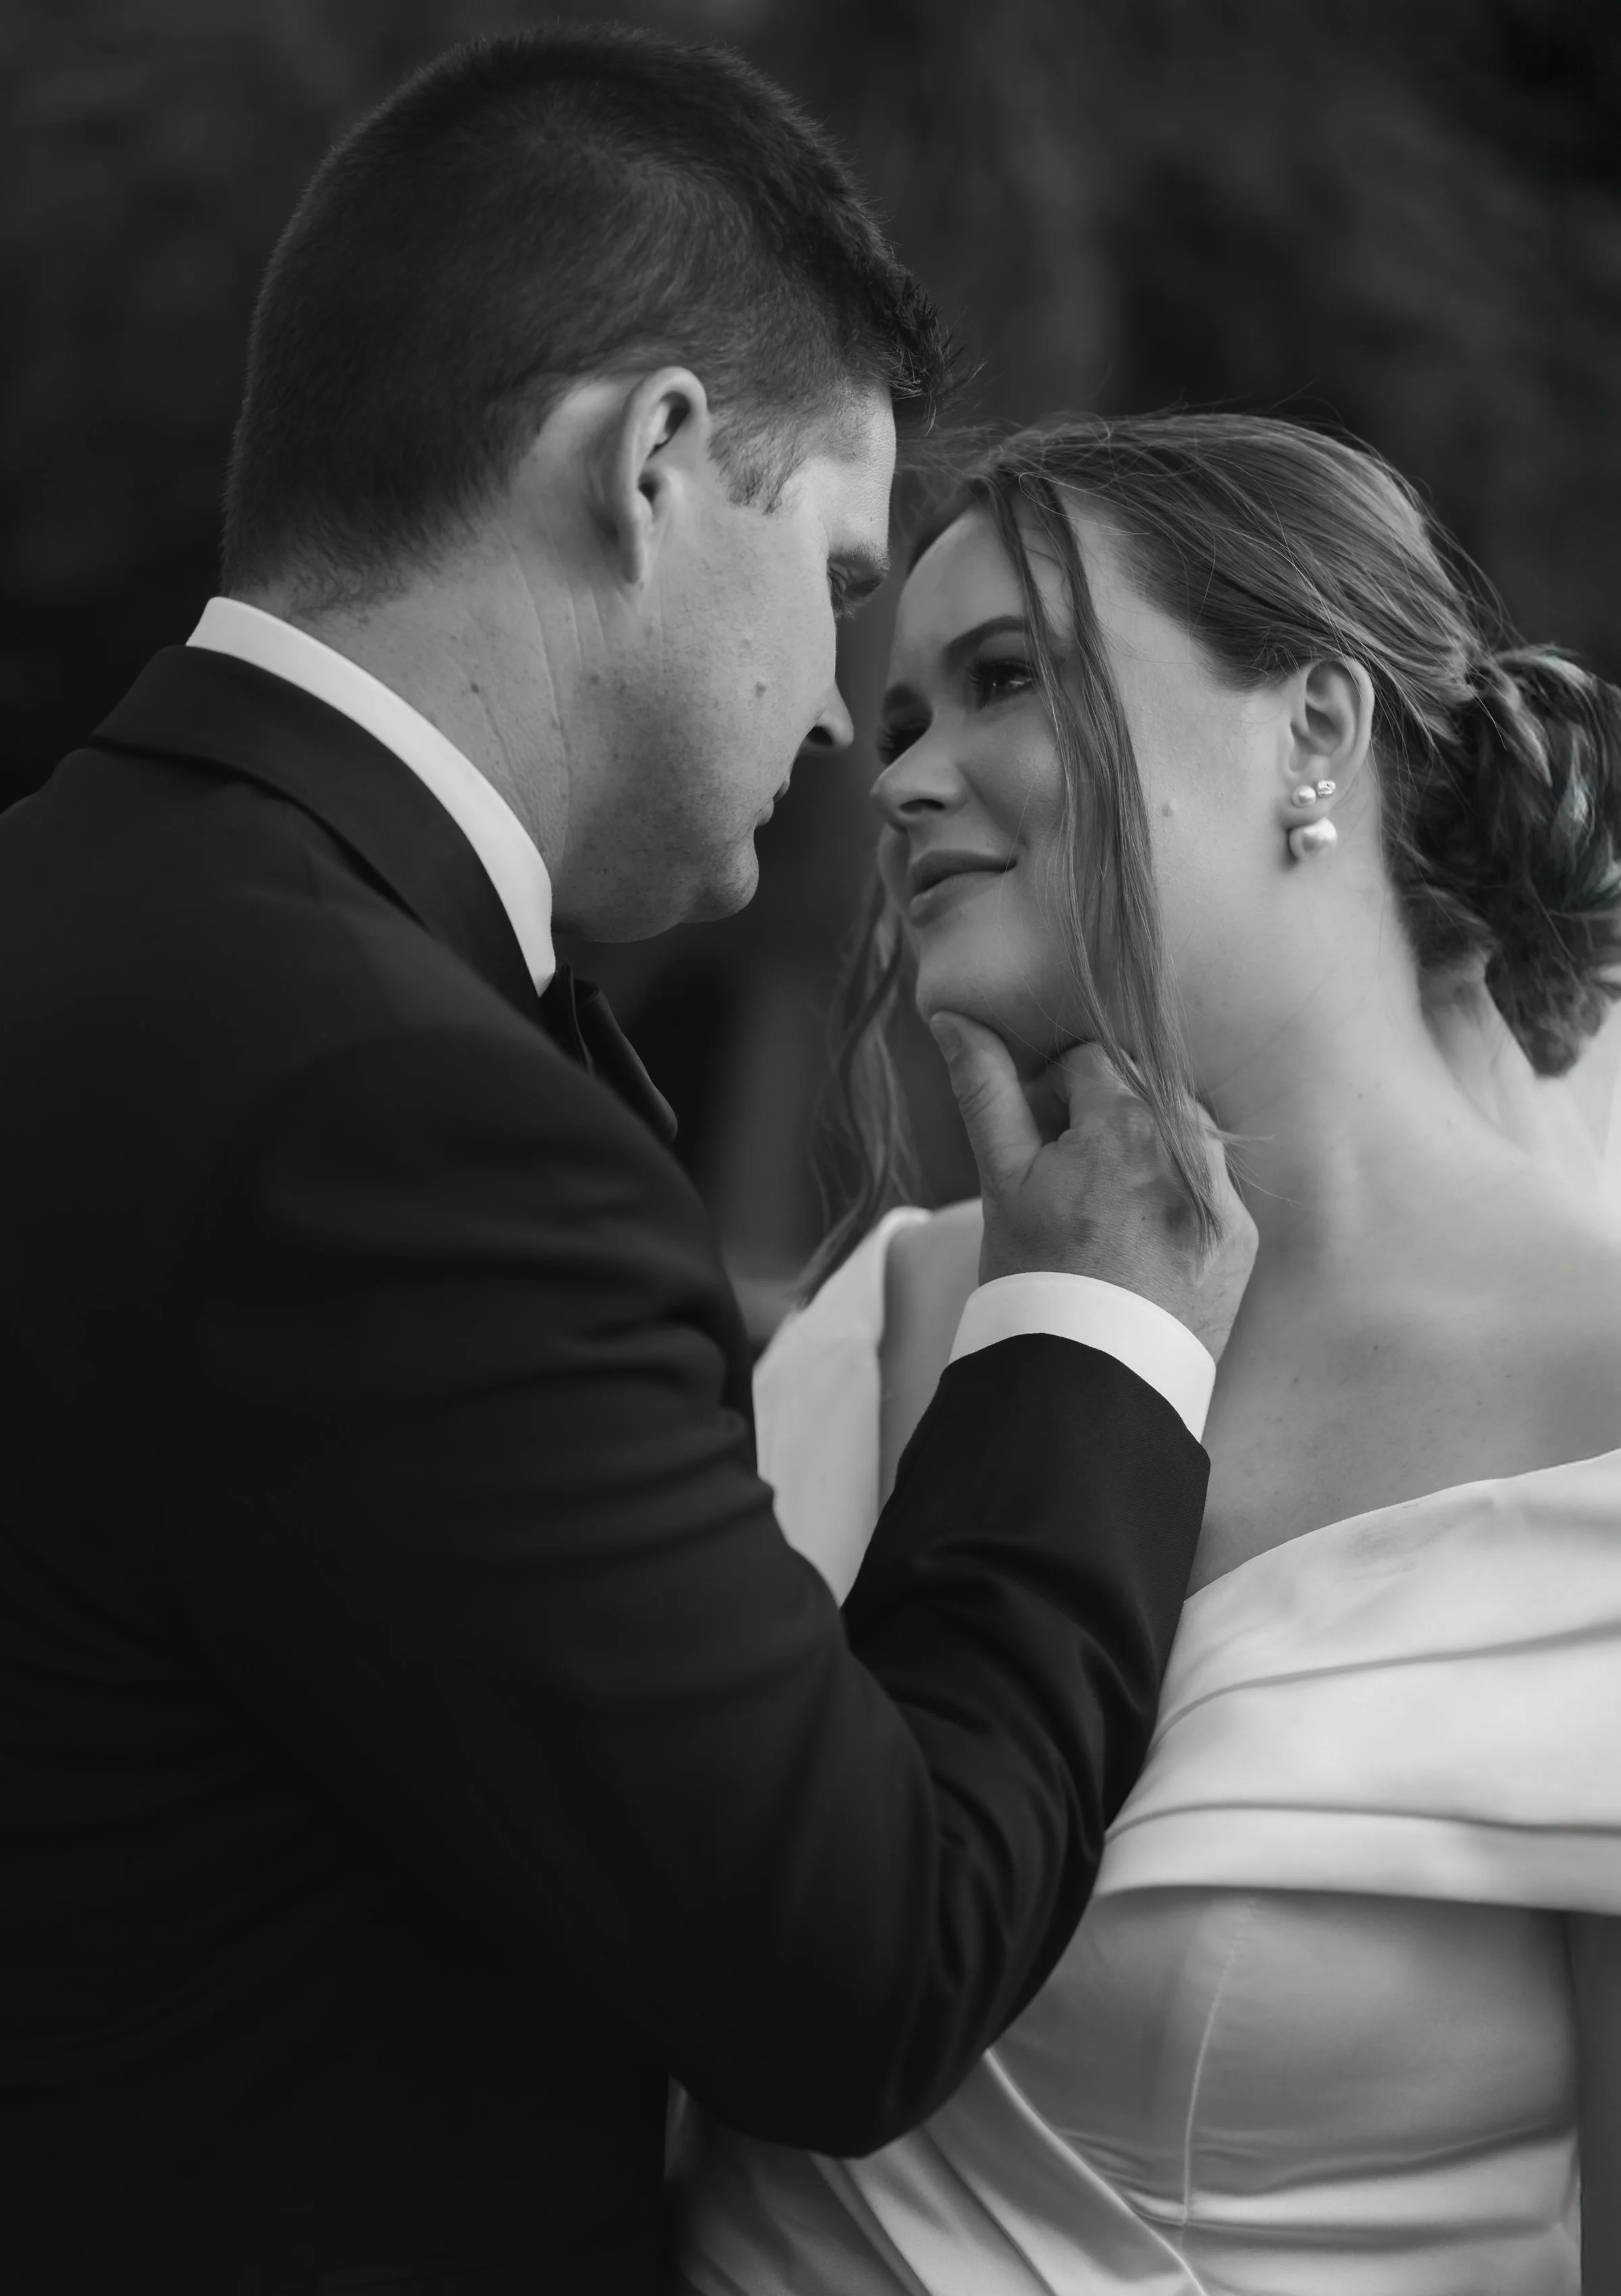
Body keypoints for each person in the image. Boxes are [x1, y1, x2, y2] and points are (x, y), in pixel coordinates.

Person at [0, 34, 1260, 2296]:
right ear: (650, 463)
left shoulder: (9, 921)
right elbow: (859, 1967)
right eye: (838, 579)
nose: (850, 720)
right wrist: (1089, 1331)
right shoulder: (385, 1111)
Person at [675, 410, 1621, 2295]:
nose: (904, 777)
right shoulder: (867, 1335)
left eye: (1002, 678)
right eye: (894, 728)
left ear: (1317, 732)